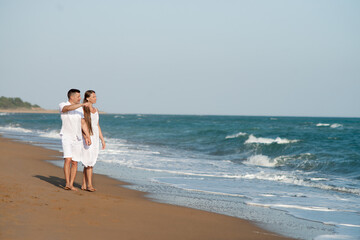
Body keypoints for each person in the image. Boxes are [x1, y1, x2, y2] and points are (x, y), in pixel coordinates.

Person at [59, 89, 91, 191]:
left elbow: (83, 123)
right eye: (78, 96)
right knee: (67, 159)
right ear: (71, 97)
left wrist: (87, 136)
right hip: (66, 136)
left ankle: (71, 184)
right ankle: (67, 183)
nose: (80, 98)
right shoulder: (62, 104)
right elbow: (66, 109)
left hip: (77, 138)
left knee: (75, 162)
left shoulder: (79, 109)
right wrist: (81, 105)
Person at [81, 90, 106, 192]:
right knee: (89, 162)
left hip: (95, 138)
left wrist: (102, 140)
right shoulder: (83, 109)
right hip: (88, 137)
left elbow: (97, 126)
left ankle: (83, 184)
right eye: (93, 97)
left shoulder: (96, 110)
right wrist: (86, 137)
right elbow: (81, 125)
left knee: (90, 161)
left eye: (95, 96)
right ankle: (89, 185)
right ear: (87, 98)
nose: (96, 98)